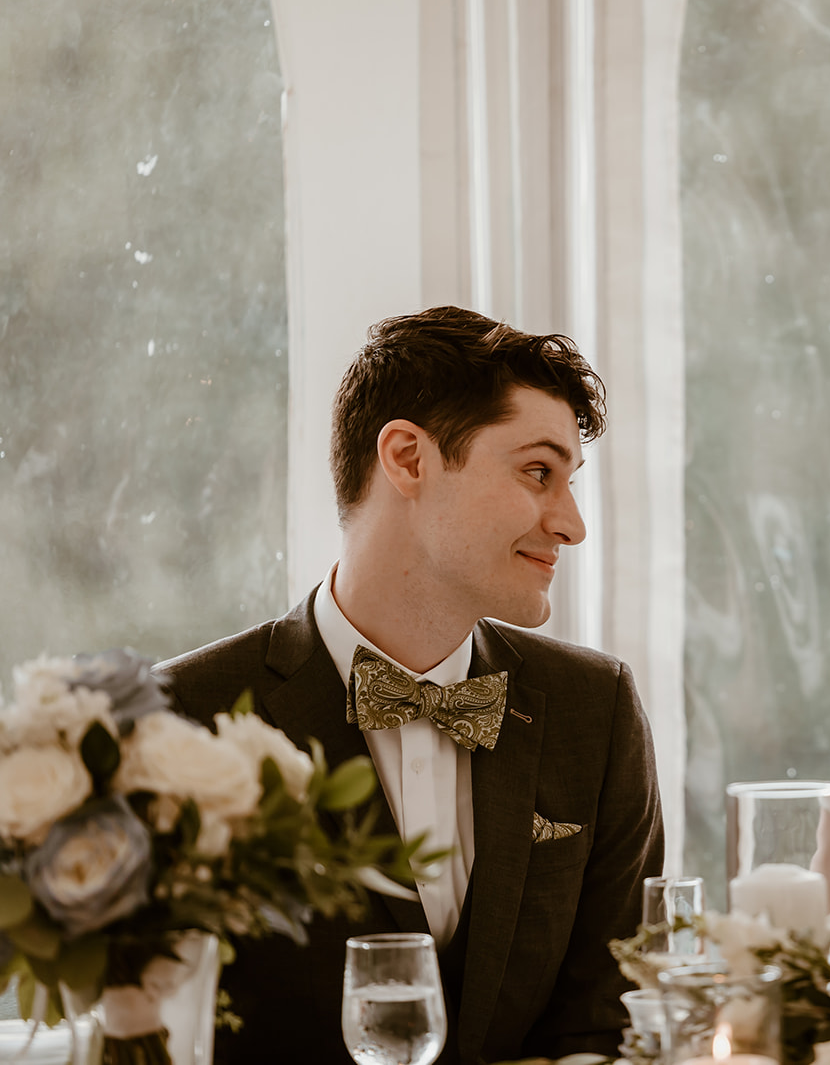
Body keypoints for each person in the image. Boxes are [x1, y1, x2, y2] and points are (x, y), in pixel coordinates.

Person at [158, 307, 664, 1064]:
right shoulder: (181, 722)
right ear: (407, 457)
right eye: (538, 472)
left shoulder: (599, 711)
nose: (571, 524)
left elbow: (609, 1022)